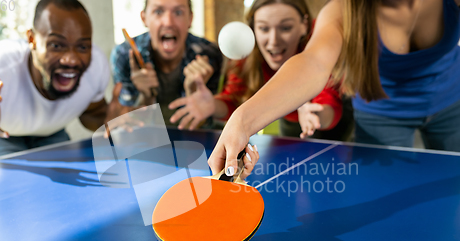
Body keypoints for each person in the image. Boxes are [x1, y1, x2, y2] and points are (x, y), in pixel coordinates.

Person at [209, 0, 460, 177]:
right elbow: (313, 63)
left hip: (452, 101)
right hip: (381, 115)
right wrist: (241, 121)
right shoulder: (343, 10)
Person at [0, 0, 124, 164]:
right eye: (56, 45)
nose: (71, 60)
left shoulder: (95, 66)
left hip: (52, 133)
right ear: (32, 39)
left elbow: (91, 113)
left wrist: (111, 120)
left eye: (82, 47)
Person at [169, 0, 348, 139]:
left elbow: (330, 105)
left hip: (332, 130)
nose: (273, 41)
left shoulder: (321, 44)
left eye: (285, 28)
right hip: (290, 122)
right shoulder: (247, 55)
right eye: (263, 28)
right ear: (253, 29)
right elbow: (236, 100)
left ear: (304, 25)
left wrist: (316, 114)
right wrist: (212, 105)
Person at [110, 0, 223, 129]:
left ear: (190, 19)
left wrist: (193, 92)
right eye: (158, 11)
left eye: (178, 12)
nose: (168, 22)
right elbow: (128, 128)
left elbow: (203, 130)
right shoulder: (124, 55)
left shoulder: (209, 54)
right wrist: (146, 97)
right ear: (144, 18)